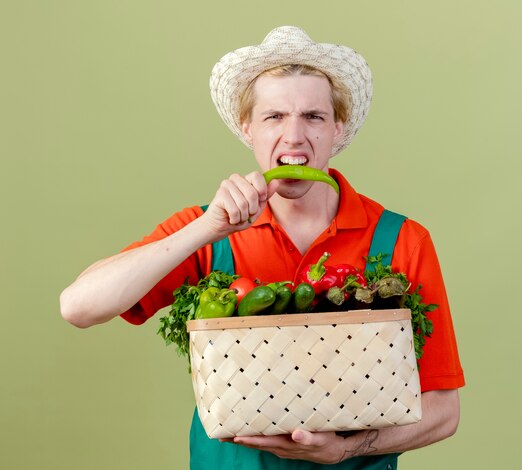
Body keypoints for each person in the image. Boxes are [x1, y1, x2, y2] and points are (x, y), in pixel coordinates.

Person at [60, 26, 465, 469]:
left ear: (337, 128)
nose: (293, 136)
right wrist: (205, 229)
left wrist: (347, 447)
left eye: (313, 116)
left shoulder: (403, 240)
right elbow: (78, 307)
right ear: (248, 128)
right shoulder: (206, 229)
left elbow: (444, 412)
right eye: (274, 117)